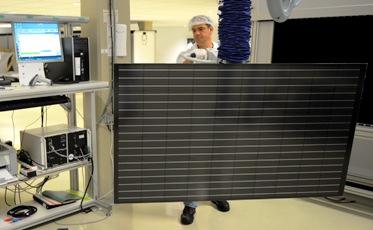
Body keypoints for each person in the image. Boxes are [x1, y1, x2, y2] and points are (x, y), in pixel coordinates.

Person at [176, 15, 230, 225]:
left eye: (201, 29)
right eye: (194, 30)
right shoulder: (185, 54)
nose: (197, 33)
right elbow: (176, 80)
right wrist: (190, 60)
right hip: (195, 113)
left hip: (220, 113)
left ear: (211, 29)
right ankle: (190, 204)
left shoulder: (223, 54)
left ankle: (216, 193)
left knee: (218, 157)